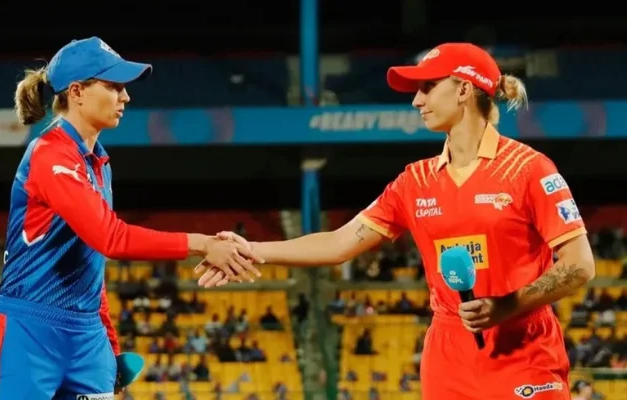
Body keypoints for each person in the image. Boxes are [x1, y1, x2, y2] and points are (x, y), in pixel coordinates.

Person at [196, 43, 596, 399]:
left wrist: (507, 306)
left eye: (427, 87)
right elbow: (339, 243)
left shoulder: (529, 169)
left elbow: (579, 265)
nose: (416, 101)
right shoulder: (414, 182)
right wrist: (250, 249)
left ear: (463, 89)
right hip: (448, 355)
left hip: (524, 349)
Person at [0, 37, 260, 400]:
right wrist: (204, 244)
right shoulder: (50, 155)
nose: (125, 97)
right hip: (29, 332)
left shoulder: (99, 163)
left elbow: (91, 263)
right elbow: (111, 238)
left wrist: (110, 346)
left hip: (88, 339)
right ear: (77, 92)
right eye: (113, 87)